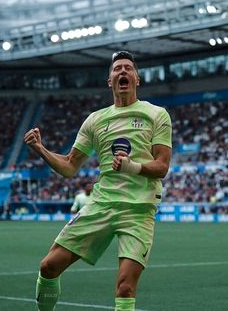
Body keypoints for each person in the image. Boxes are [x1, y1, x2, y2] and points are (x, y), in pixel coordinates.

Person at [24, 50, 172, 311]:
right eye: (117, 69)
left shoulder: (156, 114)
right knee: (48, 266)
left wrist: (131, 166)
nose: (123, 72)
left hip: (138, 210)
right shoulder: (95, 120)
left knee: (125, 286)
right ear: (110, 81)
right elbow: (70, 167)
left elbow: (161, 166)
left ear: (137, 79)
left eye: (128, 68)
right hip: (101, 205)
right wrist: (41, 149)